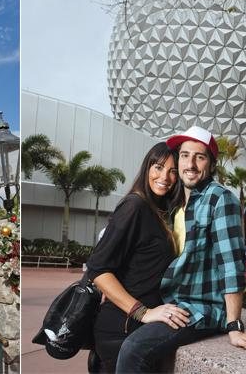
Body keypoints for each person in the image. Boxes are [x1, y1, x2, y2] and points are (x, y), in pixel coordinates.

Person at [116, 126, 246, 373]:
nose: (190, 164)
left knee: (134, 349)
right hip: (170, 301)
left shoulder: (220, 199)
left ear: (211, 164)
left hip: (200, 308)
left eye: (200, 156)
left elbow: (231, 265)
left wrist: (234, 326)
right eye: (185, 155)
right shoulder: (174, 203)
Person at [85, 142, 186, 373]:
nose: (165, 177)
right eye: (158, 167)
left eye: (173, 171)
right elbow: (98, 270)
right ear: (147, 168)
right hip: (122, 328)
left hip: (140, 330)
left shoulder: (159, 211)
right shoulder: (135, 206)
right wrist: (144, 312)